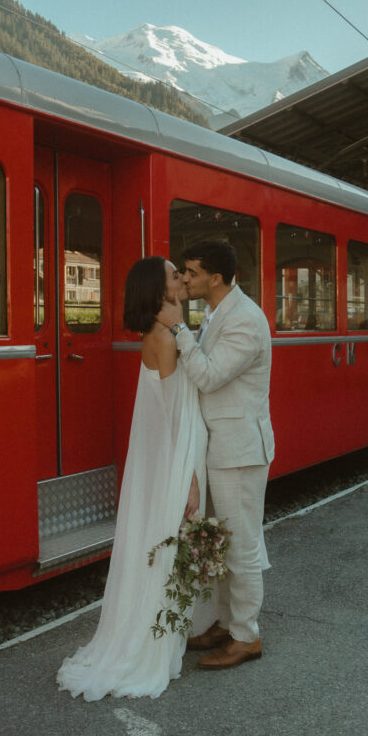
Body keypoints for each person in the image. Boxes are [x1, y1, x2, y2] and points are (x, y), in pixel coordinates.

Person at [57, 256, 207, 701]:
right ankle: (149, 645)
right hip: (173, 456)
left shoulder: (161, 334)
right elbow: (172, 415)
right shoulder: (164, 338)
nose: (182, 278)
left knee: (161, 542)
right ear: (158, 291)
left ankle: (159, 633)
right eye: (173, 275)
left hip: (165, 454)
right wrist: (191, 479)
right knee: (166, 540)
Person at [157, 239, 274, 670]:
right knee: (224, 545)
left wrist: (178, 329)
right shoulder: (219, 312)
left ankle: (247, 636)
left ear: (216, 278)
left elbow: (207, 377)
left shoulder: (245, 321)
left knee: (241, 545)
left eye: (191, 272)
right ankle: (227, 623)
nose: (185, 279)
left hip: (239, 450)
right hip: (221, 447)